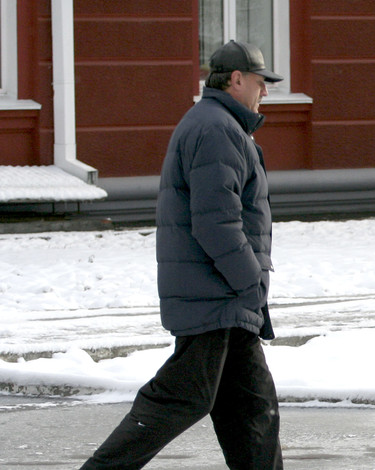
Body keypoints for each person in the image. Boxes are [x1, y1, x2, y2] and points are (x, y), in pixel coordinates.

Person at [80, 40, 284, 470]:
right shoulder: (217, 130)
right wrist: (251, 281)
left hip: (227, 300)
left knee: (253, 412)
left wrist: (249, 291)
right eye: (262, 82)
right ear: (237, 79)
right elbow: (216, 221)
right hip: (216, 296)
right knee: (180, 398)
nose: (265, 92)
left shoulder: (221, 125)